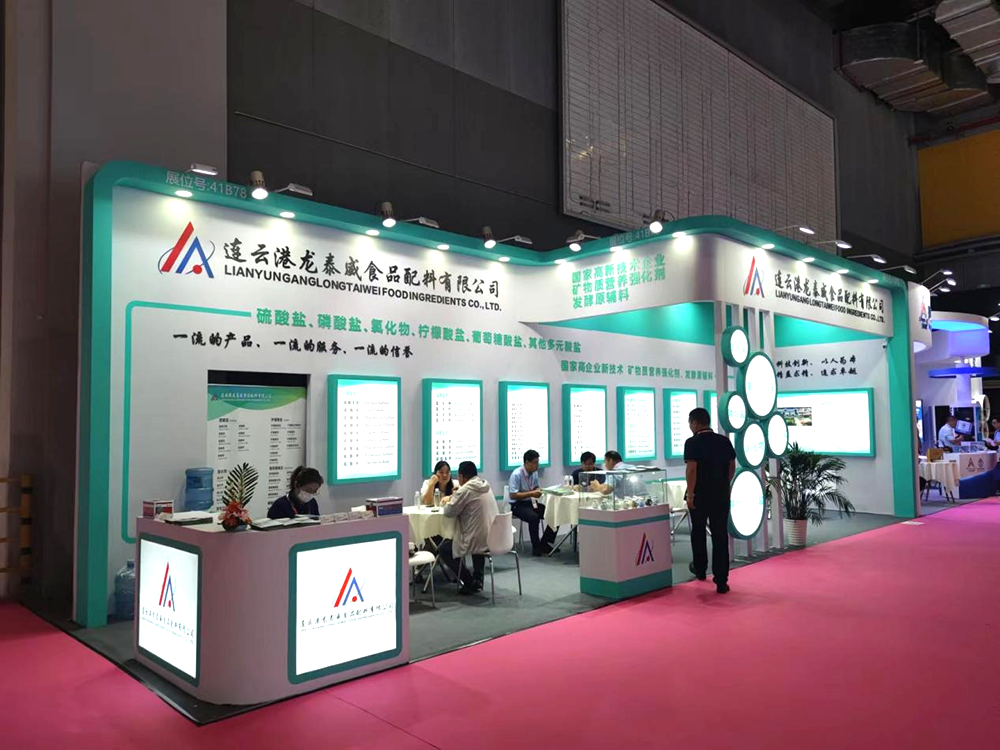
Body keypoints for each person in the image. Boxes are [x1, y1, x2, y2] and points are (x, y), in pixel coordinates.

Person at [684, 408, 736, 594]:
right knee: (720, 535)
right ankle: (721, 580)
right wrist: (724, 484)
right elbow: (731, 466)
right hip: (720, 495)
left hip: (699, 495)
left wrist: (690, 494)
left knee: (698, 532)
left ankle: (700, 568)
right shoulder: (724, 441)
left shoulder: (692, 442)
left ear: (695, 423)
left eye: (690, 423)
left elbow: (692, 470)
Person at [438, 461, 498, 595]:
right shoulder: (485, 485)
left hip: (476, 537)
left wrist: (452, 497)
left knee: (444, 549)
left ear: (462, 476)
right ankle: (478, 578)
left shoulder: (465, 490)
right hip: (493, 536)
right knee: (478, 539)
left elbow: (449, 511)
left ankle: (469, 581)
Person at [509, 449, 557, 555]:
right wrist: (531, 493)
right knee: (533, 517)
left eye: (537, 462)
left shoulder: (534, 473)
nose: (537, 465)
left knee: (554, 513)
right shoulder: (516, 474)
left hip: (530, 502)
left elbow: (535, 487)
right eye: (535, 462)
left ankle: (545, 543)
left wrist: (539, 490)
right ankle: (536, 547)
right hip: (517, 504)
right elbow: (513, 495)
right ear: (527, 462)